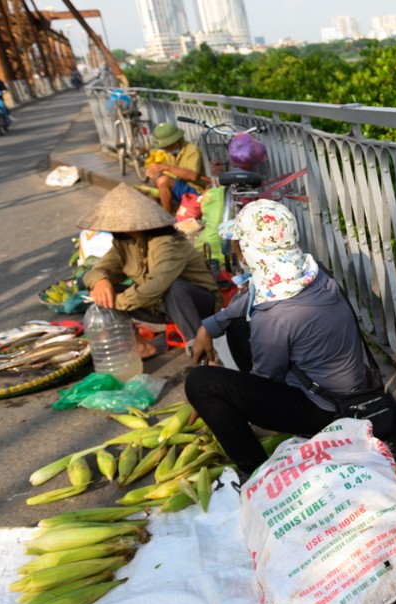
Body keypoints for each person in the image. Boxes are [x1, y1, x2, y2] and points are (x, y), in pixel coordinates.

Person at [185, 200, 369, 475]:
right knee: (235, 323)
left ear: (248, 251)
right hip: (348, 386)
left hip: (327, 408)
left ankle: (257, 470)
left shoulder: (272, 315)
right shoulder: (309, 271)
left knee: (200, 383)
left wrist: (217, 398)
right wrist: (209, 327)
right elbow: (252, 296)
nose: (236, 251)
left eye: (238, 245)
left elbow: (265, 379)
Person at [79, 183, 223, 358]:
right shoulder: (123, 243)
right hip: (158, 306)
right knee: (104, 290)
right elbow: (98, 270)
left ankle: (199, 349)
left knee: (174, 288)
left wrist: (118, 302)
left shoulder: (168, 242)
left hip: (196, 303)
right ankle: (141, 346)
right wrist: (101, 282)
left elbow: (157, 284)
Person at [143, 122, 205, 214]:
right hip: (179, 186)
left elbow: (193, 176)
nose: (166, 149)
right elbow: (163, 173)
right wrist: (149, 186)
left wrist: (165, 167)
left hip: (195, 190)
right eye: (164, 147)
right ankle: (155, 215)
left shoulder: (192, 151)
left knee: (163, 181)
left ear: (176, 141)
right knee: (154, 180)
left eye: (167, 146)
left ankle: (167, 218)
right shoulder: (169, 153)